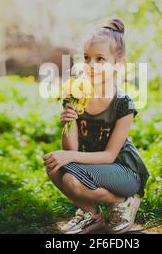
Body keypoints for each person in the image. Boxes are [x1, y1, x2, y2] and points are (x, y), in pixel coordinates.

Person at [44, 18, 149, 234]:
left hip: (123, 171)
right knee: (54, 166)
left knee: (72, 180)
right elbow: (71, 151)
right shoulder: (75, 96)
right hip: (91, 167)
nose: (91, 66)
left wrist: (69, 158)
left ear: (118, 64)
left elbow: (109, 156)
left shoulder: (123, 103)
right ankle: (91, 214)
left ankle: (124, 201)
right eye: (87, 58)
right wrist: (69, 122)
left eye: (100, 59)